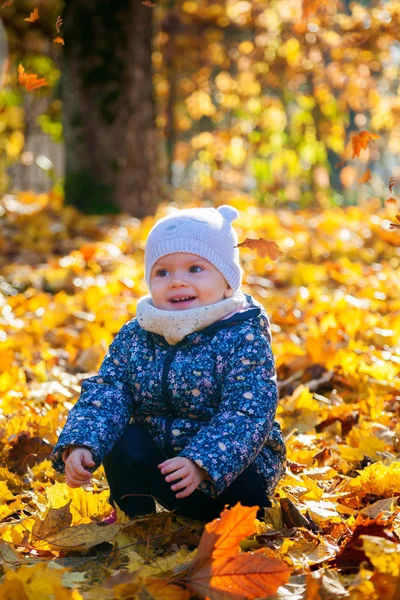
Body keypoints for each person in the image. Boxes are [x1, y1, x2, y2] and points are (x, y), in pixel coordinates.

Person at [50, 205, 286, 521]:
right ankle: (136, 516)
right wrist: (82, 444)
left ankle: (228, 525)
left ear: (227, 280)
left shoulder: (242, 334)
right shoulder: (138, 334)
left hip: (231, 474)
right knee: (125, 437)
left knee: (242, 474)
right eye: (163, 272)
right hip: (166, 468)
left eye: (195, 269)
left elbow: (248, 413)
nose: (176, 281)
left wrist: (202, 462)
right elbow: (108, 393)